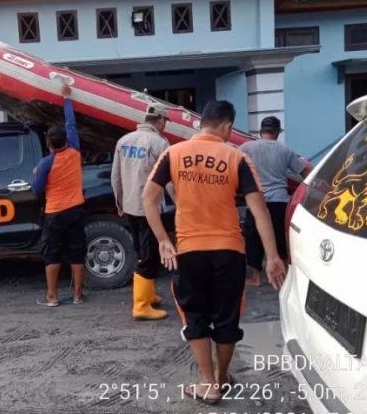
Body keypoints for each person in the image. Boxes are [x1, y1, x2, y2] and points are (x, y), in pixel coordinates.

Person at [142, 100, 286, 405]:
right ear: (227, 127)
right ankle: (221, 378)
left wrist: (162, 240)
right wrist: (272, 257)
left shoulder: (174, 153)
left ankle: (209, 384)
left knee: (195, 316)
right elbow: (259, 211)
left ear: (200, 123)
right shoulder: (237, 157)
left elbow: (148, 197)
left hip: (190, 250)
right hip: (229, 252)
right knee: (226, 318)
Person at [111, 105, 170, 320]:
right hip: (150, 209)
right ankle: (141, 306)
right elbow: (168, 178)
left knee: (140, 251)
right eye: (166, 122)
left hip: (129, 206)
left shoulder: (123, 141)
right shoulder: (159, 143)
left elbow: (115, 175)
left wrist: (118, 199)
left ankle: (148, 293)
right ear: (161, 121)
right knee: (150, 256)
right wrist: (181, 202)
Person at [239, 116, 311, 286]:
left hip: (256, 200)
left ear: (260, 131)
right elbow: (304, 171)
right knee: (280, 237)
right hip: (279, 200)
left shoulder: (247, 147)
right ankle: (284, 275)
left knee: (253, 237)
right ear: (278, 132)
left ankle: (256, 277)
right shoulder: (285, 150)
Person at [32, 83, 85, 307]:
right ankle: (77, 296)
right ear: (65, 140)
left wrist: (36, 173)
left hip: (54, 214)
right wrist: (66, 98)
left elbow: (37, 190)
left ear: (48, 143)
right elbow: (71, 123)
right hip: (76, 211)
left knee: (51, 254)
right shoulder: (74, 151)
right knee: (77, 252)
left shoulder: (45, 163)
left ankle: (52, 297)